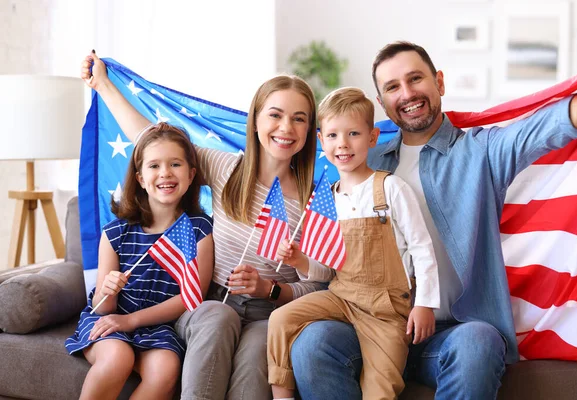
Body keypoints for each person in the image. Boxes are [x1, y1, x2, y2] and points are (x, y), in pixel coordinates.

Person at [291, 41, 577, 399]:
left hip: (450, 332)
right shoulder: (364, 160)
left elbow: (542, 129)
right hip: (371, 323)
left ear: (439, 82)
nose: (407, 94)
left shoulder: (480, 152)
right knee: (312, 342)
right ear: (381, 103)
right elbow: (299, 167)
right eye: (392, 87)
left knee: (478, 343)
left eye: (415, 79)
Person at [80, 51, 334, 400]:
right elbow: (154, 144)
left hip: (269, 314)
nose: (286, 128)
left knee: (255, 360)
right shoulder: (226, 168)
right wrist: (104, 85)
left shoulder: (316, 202)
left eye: (299, 119)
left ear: (311, 130)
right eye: (275, 115)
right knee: (217, 316)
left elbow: (319, 284)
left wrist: (269, 289)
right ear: (256, 120)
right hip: (212, 304)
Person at [267, 87, 440, 400]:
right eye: (332, 135)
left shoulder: (390, 188)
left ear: (372, 138)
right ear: (321, 141)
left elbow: (422, 248)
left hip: (385, 310)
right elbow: (327, 267)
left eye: (353, 134)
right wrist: (299, 261)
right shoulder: (325, 199)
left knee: (381, 389)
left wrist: (425, 303)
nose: (342, 144)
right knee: (280, 318)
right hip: (342, 297)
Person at [65, 123, 214, 400]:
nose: (165, 173)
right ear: (141, 178)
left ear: (192, 174)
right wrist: (109, 290)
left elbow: (191, 297)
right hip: (110, 319)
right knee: (117, 358)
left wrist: (131, 321)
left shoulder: (200, 230)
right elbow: (103, 307)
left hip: (159, 327)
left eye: (175, 164)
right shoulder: (116, 233)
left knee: (165, 368)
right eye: (154, 166)